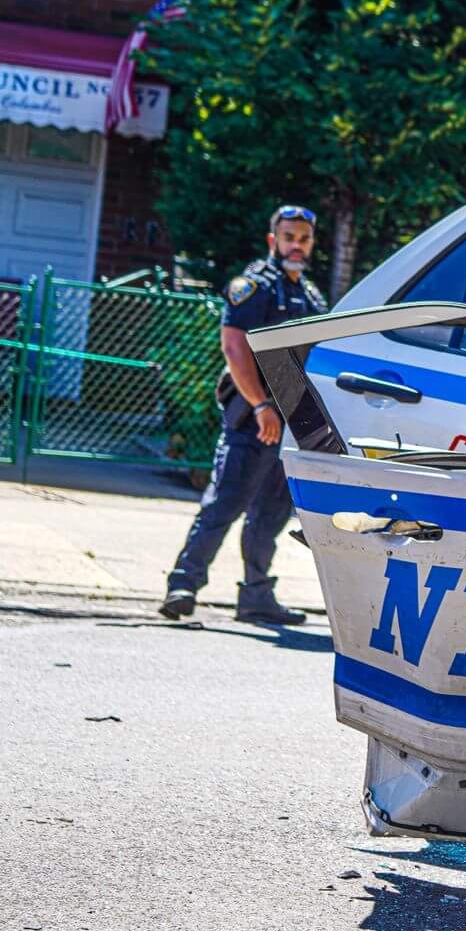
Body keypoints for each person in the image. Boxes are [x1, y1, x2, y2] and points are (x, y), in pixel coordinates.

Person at [161, 206, 328, 625]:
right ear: (274, 241)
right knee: (224, 503)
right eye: (289, 237)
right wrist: (260, 406)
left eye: (304, 238)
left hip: (290, 420)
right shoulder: (255, 287)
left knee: (271, 512)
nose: (297, 245)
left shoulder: (310, 295)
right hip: (253, 417)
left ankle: (256, 596)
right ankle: (183, 585)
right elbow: (235, 349)